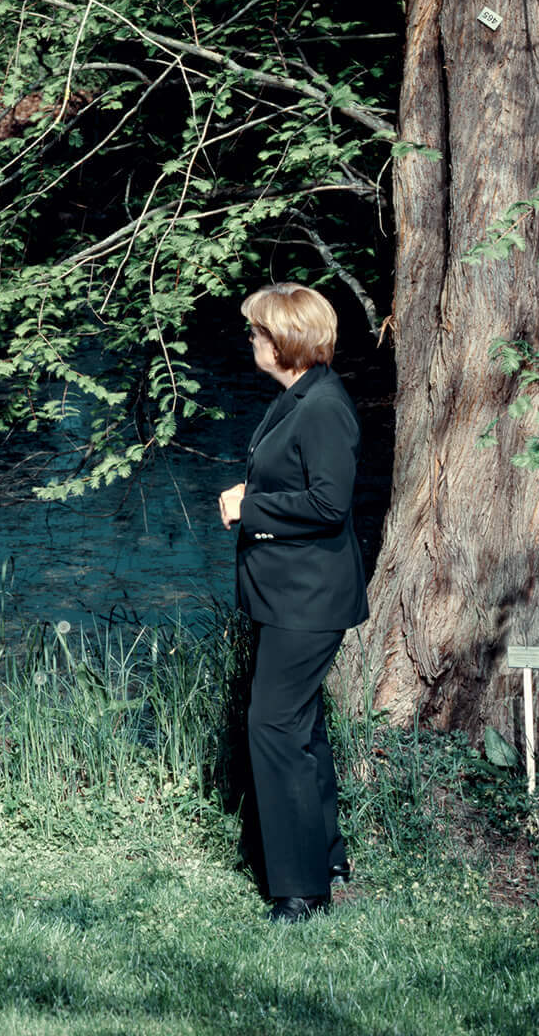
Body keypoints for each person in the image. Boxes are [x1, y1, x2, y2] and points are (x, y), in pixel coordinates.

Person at [218, 282, 369, 924]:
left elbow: (330, 504)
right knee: (299, 726)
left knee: (273, 726)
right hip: (289, 596)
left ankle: (301, 892)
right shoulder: (299, 395)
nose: (250, 339)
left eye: (257, 331)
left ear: (284, 341)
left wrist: (250, 508)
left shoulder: (324, 407)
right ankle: (325, 857)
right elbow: (297, 479)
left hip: (309, 601)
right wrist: (254, 490)